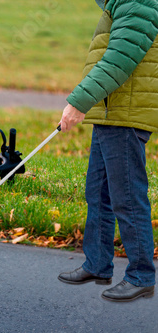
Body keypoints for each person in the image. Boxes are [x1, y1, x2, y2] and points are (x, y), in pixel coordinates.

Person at [57, 0, 158, 302]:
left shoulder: (138, 3)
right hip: (110, 113)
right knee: (98, 192)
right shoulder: (122, 3)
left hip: (124, 115)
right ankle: (98, 265)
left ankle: (141, 276)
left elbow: (118, 60)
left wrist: (79, 102)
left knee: (126, 197)